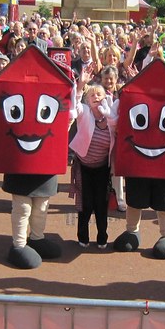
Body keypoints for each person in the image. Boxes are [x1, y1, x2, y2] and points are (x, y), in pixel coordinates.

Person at [70, 79, 117, 249]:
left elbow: (118, 124)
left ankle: (102, 237)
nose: (96, 97)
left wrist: (110, 116)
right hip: (84, 167)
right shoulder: (84, 112)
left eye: (99, 94)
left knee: (101, 205)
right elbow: (74, 108)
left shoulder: (110, 116)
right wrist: (80, 87)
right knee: (86, 204)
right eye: (92, 95)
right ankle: (83, 237)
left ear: (105, 98)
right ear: (88, 100)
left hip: (103, 168)